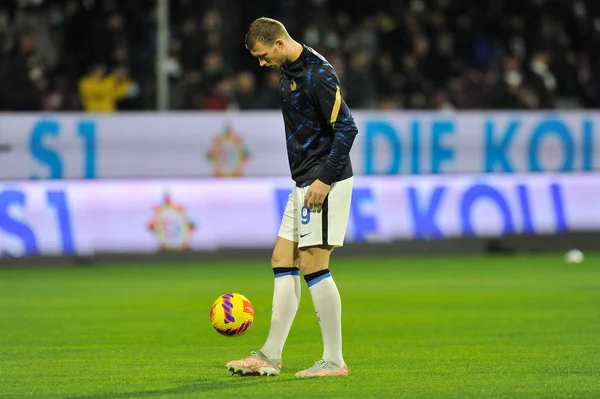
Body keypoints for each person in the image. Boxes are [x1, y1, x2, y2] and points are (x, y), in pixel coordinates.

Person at [225, 17, 358, 378]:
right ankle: (270, 354)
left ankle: (334, 360)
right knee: (282, 258)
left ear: (280, 44)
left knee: (314, 265)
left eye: (263, 55)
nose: (261, 63)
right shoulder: (289, 69)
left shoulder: (317, 74)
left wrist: (324, 180)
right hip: (302, 182)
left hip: (323, 183)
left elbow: (347, 127)